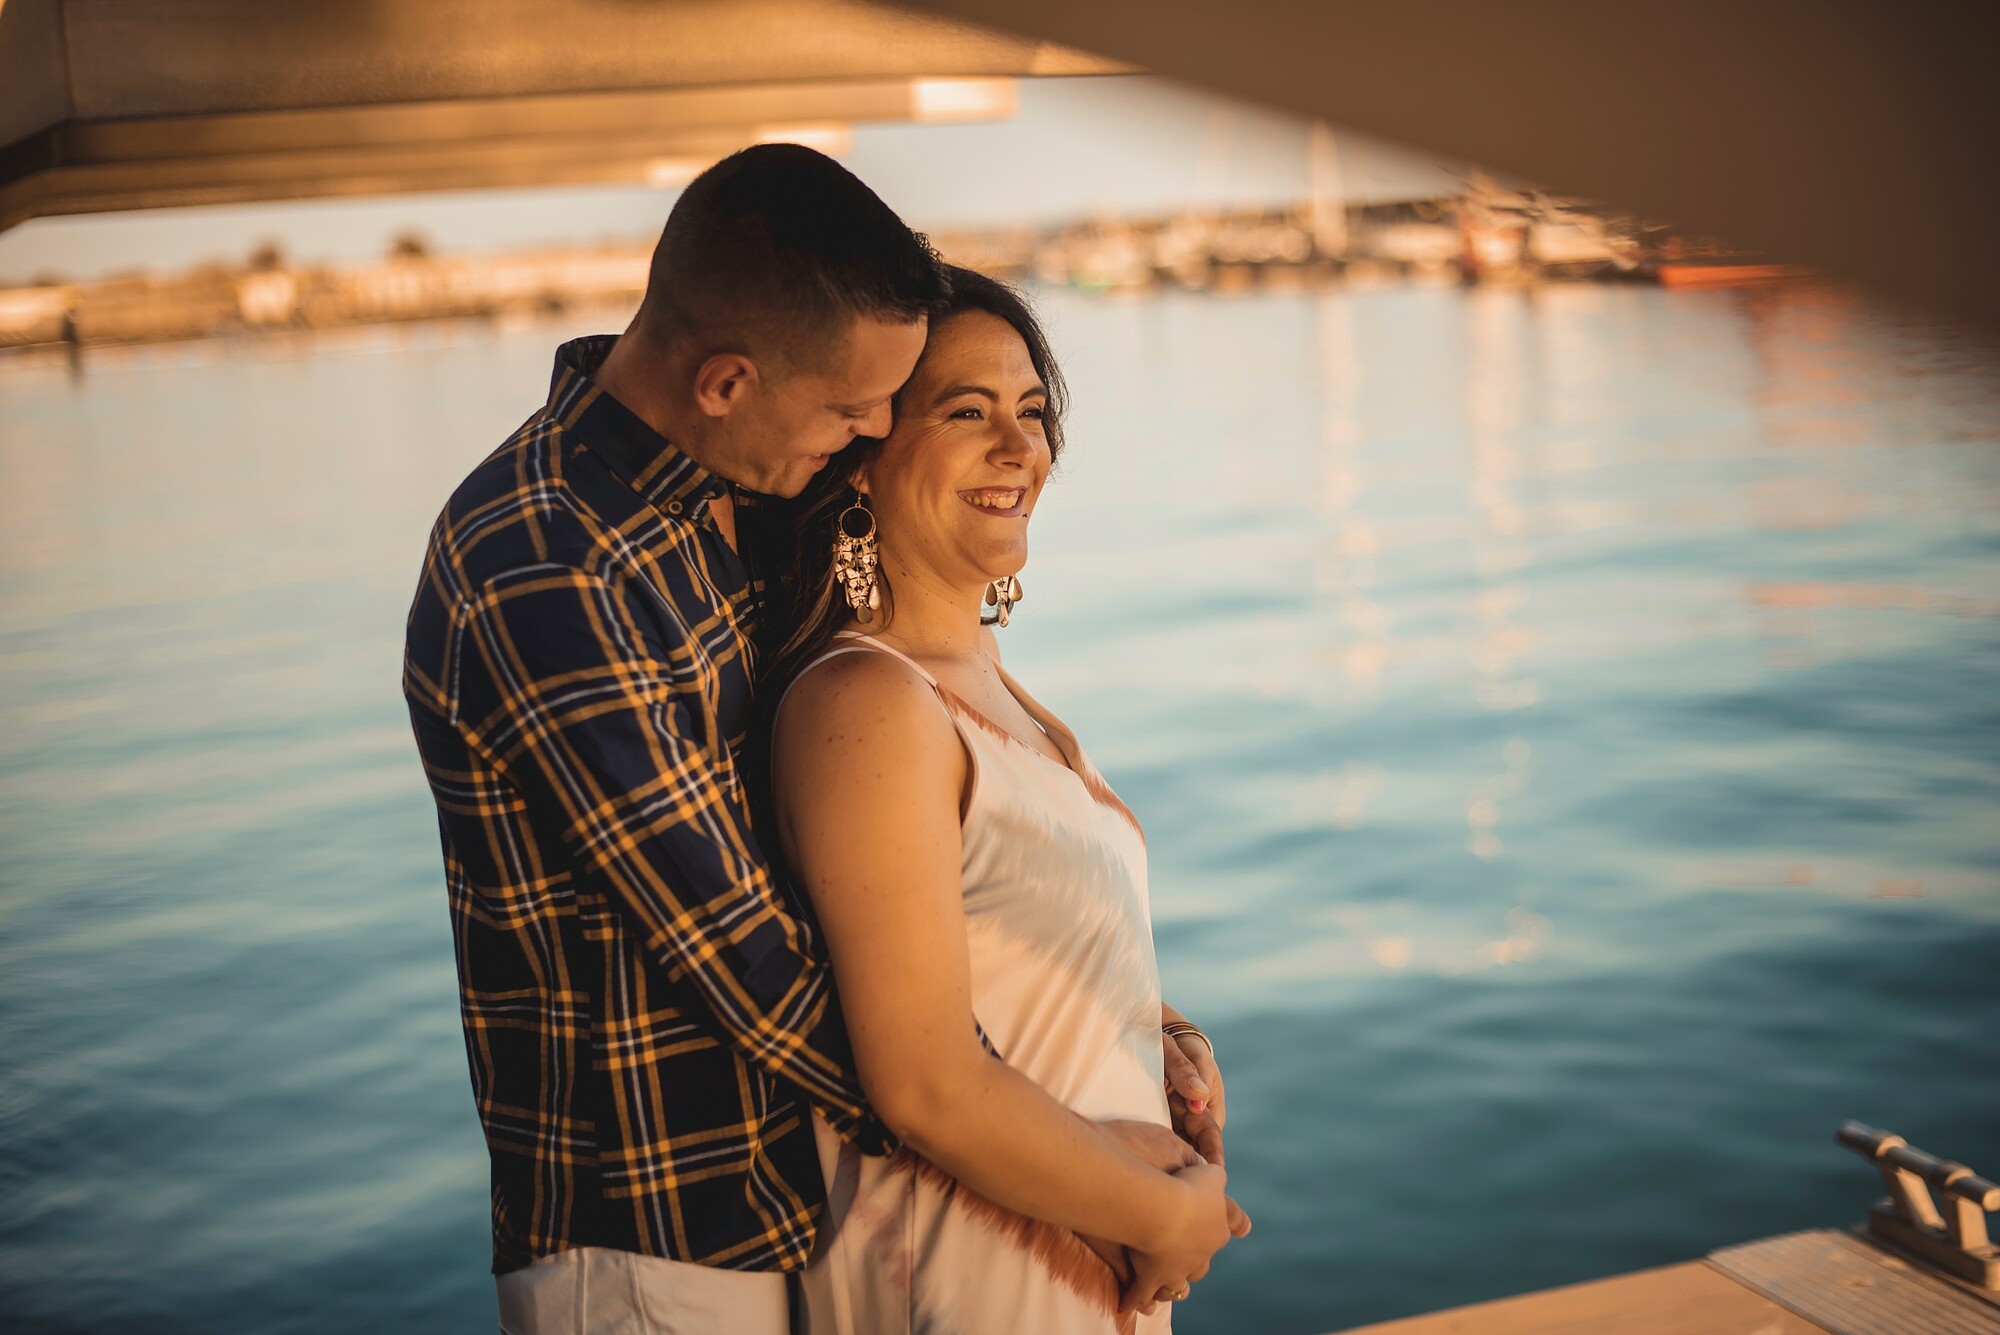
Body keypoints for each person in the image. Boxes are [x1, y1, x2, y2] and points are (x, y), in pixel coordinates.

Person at [403, 145, 1235, 1333]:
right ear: (726, 382)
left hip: (778, 1214)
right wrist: (1077, 1158)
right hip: (647, 1240)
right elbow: (752, 962)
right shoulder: (553, 563)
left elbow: (898, 891)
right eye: (854, 410)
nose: (862, 433)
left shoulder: (695, 516)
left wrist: (1137, 1038)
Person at [765, 267, 1245, 1334]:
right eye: (965, 411)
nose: (1018, 445)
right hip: (968, 1280)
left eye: (1031, 412)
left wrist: (1155, 1032)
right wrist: (1173, 1221)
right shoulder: (867, 703)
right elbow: (921, 1078)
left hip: (1073, 1260)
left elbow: (988, 953)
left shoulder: (982, 689)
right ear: (860, 457)